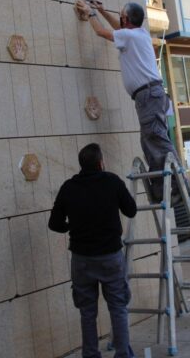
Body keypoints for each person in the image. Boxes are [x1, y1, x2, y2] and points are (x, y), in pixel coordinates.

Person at [83, 0, 183, 203]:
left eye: (121, 15)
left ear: (126, 19)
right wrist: (102, 9)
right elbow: (118, 28)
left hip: (148, 95)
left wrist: (90, 13)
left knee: (155, 139)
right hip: (150, 95)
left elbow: (102, 32)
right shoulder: (139, 34)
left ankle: (175, 184)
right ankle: (162, 186)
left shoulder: (130, 36)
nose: (120, 18)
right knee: (150, 142)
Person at [48, 143, 137, 358]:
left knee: (87, 312)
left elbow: (54, 224)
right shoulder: (112, 181)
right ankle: (123, 353)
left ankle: (90, 354)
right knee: (117, 307)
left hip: (82, 259)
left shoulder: (69, 187)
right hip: (110, 256)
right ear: (100, 163)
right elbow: (131, 210)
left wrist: (73, 226)